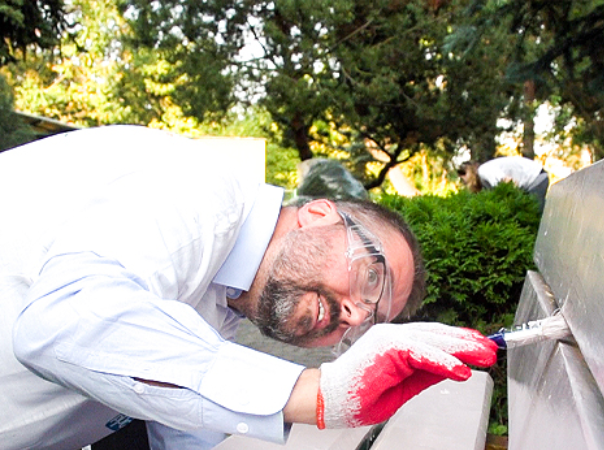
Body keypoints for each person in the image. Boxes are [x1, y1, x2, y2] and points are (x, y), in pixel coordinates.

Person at [0, 125, 497, 450]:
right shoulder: (201, 188)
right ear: (320, 213)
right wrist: (313, 393)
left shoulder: (221, 306)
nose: (354, 315)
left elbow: (183, 424)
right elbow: (62, 320)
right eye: (371, 277)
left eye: (370, 320)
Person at [457, 156, 549, 210]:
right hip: (531, 182)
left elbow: (508, 182)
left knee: (535, 218)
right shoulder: (484, 182)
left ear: (471, 169)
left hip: (535, 178)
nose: (462, 177)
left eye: (463, 172)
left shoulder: (484, 171)